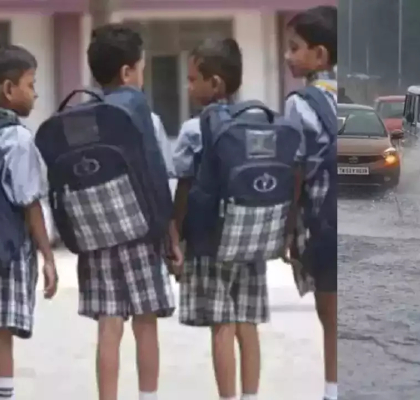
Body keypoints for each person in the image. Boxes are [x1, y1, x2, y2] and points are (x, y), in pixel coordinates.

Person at [79, 24, 178, 400]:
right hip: (141, 232)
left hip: (98, 234)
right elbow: (158, 176)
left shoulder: (84, 117)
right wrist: (171, 236)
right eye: (140, 68)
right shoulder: (145, 118)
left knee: (109, 325)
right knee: (145, 322)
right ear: (126, 72)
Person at [170, 38, 268, 400]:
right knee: (248, 323)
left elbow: (184, 186)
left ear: (216, 83)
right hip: (251, 235)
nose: (189, 85)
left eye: (194, 78)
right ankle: (251, 396)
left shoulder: (194, 130)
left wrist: (175, 233)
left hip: (209, 240)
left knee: (221, 326)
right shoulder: (258, 121)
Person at [0, 44, 58, 400]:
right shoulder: (15, 137)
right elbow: (29, 202)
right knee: (0, 338)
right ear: (8, 88)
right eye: (30, 84)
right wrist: (47, 257)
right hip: (6, 253)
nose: (35, 93)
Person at [284, 6, 338, 400]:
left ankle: (332, 390)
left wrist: (288, 224)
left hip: (321, 221)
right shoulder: (349, 99)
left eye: (294, 48)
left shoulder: (300, 103)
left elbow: (296, 169)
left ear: (319, 56)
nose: (287, 56)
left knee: (330, 315)